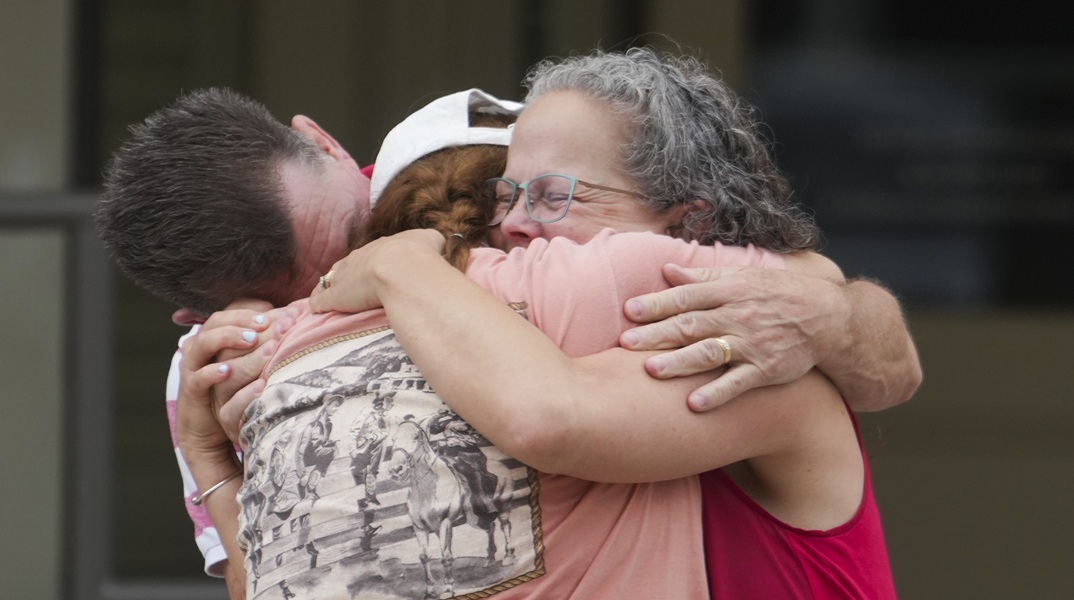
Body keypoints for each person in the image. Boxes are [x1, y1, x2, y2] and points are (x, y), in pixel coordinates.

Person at [97, 79, 914, 594]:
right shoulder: (220, 376)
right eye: (302, 300)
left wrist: (824, 313)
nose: (334, 315)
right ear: (199, 322)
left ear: (327, 144)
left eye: (356, 239)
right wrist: (212, 460)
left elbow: (834, 310)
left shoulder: (529, 227)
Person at [309, 48, 901, 597]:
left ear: (690, 224)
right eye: (506, 196)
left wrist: (399, 265)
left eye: (553, 195)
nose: (510, 224)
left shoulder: (757, 365)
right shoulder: (506, 355)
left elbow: (547, 417)